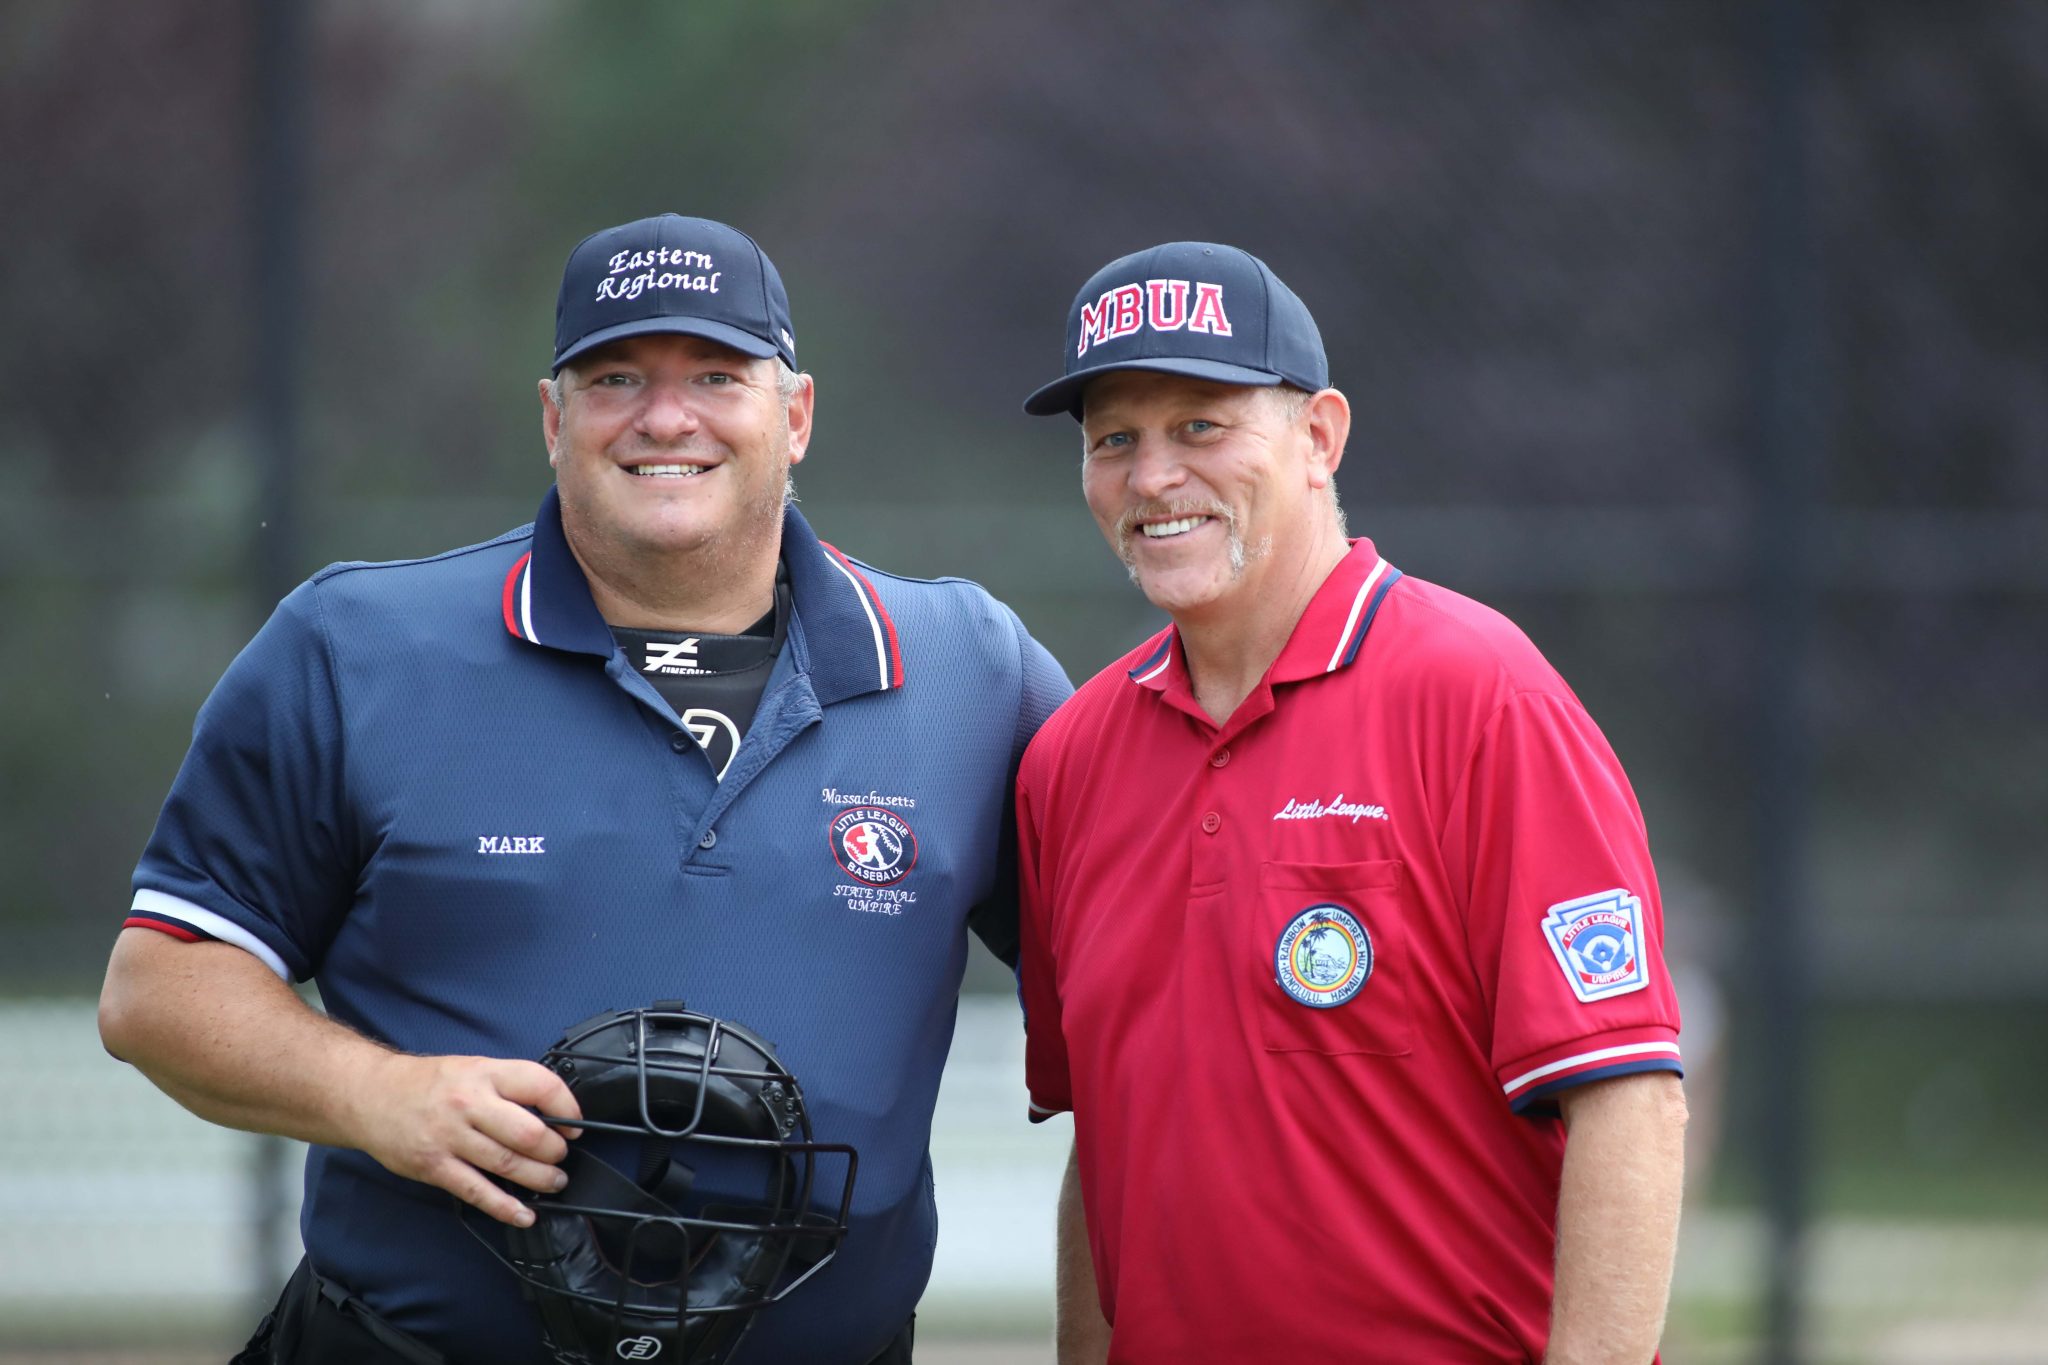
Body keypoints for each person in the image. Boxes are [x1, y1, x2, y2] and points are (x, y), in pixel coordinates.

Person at [98, 213, 1071, 1365]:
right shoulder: (355, 648)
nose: (667, 418)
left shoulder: (971, 671)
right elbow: (157, 988)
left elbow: (1135, 985)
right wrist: (379, 1097)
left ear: (795, 415)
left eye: (716, 374)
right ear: (554, 419)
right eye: (616, 378)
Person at [1014, 242, 1688, 1364]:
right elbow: (1107, 1150)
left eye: (1199, 427)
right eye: (1113, 440)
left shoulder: (1477, 694)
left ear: (1318, 437)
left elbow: (1628, 1104)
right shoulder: (1069, 759)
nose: (1151, 478)